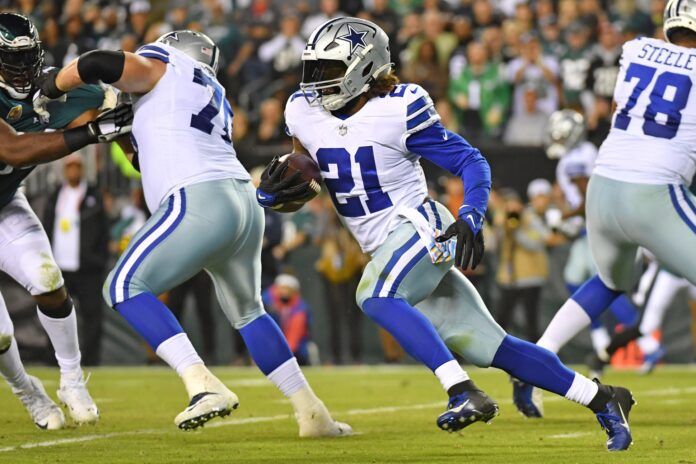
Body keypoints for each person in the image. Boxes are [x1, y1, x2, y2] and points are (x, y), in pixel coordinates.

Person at [256, 17, 636, 451]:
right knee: (490, 346)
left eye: (329, 69)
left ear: (364, 68)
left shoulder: (398, 107)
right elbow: (308, 170)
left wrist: (471, 213)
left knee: (376, 296)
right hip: (384, 247)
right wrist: (282, 194)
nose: (317, 81)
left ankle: (462, 390)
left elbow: (471, 162)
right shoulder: (302, 109)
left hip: (420, 227)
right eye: (315, 69)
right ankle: (603, 398)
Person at [29, 30, 350, 435]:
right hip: (242, 202)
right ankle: (313, 412)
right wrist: (122, 131)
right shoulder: (210, 92)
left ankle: (201, 383)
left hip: (197, 198)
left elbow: (97, 63)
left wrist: (53, 83)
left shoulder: (165, 66)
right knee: (250, 312)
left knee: (123, 287)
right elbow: (150, 157)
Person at [519, 0, 696, 422]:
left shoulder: (635, 49)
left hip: (604, 187)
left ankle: (534, 361)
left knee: (608, 282)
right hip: (652, 193)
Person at [0, 13, 131, 430]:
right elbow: (15, 151)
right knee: (0, 337)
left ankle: (72, 380)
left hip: (4, 204)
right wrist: (93, 134)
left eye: (27, 59)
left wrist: (123, 127)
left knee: (49, 282)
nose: (21, 71)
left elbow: (103, 112)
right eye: (9, 60)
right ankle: (28, 391)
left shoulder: (53, 89)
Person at [44, 153, 110, 366]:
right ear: (65, 170)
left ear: (82, 169)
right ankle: (56, 360)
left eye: (77, 167)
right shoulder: (55, 196)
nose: (73, 171)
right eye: (70, 167)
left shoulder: (93, 196)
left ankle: (92, 360)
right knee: (56, 314)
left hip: (87, 268)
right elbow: (46, 228)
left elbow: (104, 231)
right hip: (60, 268)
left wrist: (98, 259)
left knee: (92, 315)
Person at [263, 274, 312, 365]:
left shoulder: (299, 309)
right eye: (281, 288)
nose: (283, 292)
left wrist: (284, 355)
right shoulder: (267, 305)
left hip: (294, 351)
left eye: (287, 289)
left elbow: (295, 334)